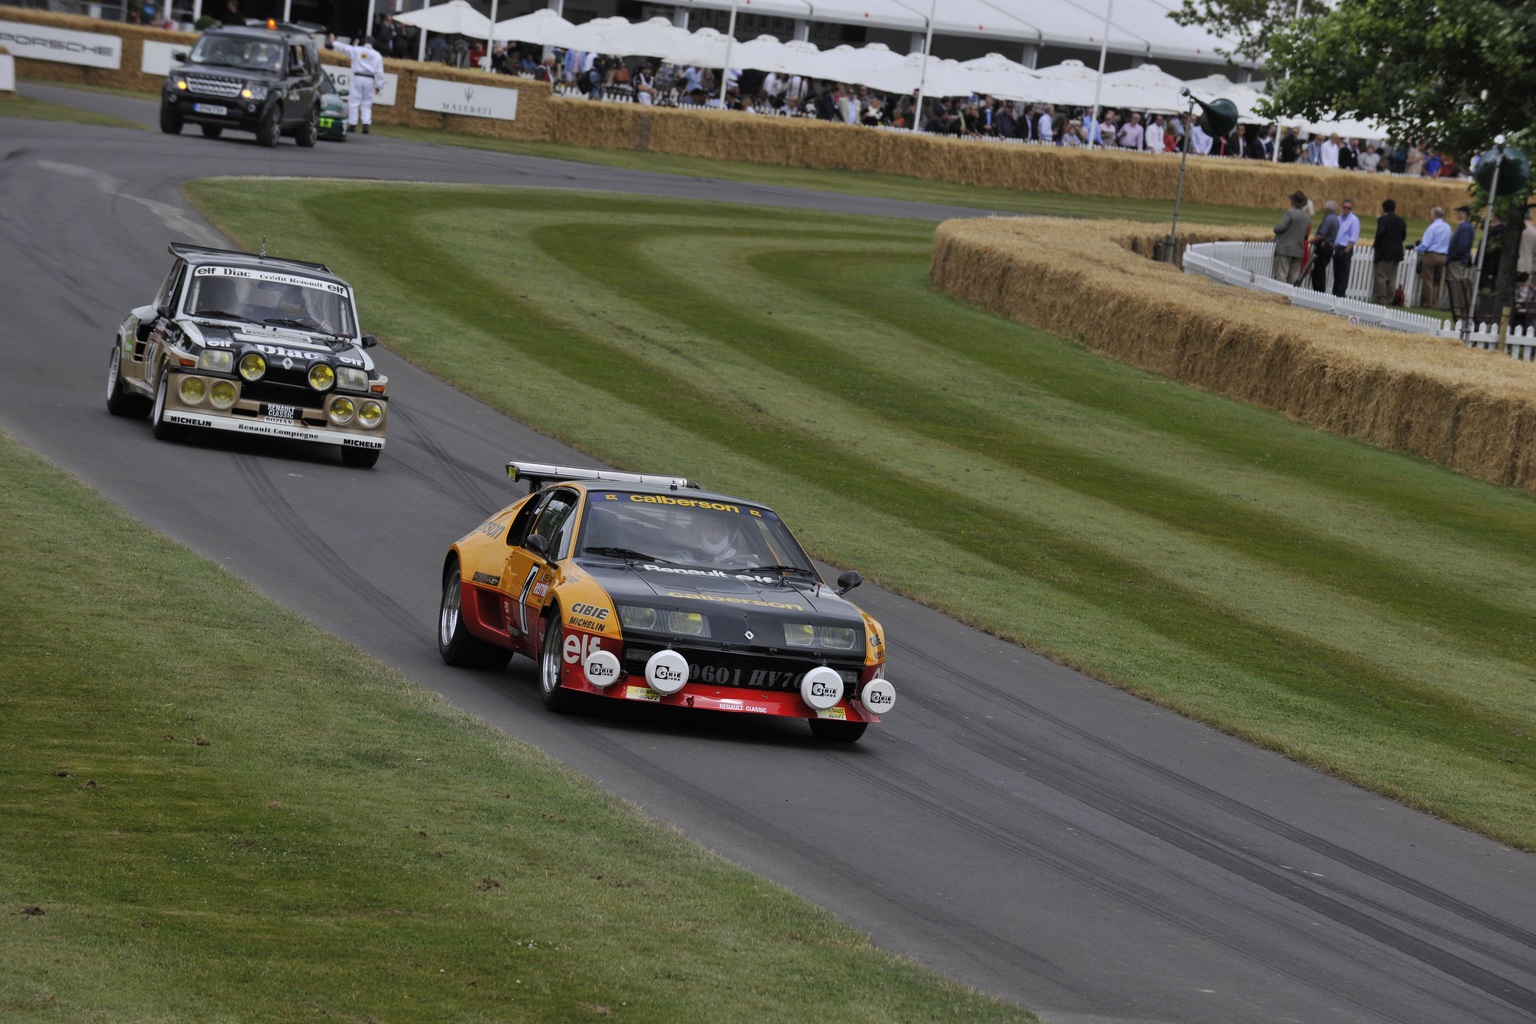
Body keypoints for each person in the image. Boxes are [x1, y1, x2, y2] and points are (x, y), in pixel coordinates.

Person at [328, 33, 384, 133]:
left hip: (358, 77)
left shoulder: (357, 50)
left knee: (354, 101)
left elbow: (344, 48)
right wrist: (379, 85)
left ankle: (353, 124)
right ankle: (366, 124)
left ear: (363, 42)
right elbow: (379, 72)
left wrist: (334, 42)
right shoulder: (377, 55)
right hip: (369, 79)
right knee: (367, 102)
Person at [1371, 198, 1408, 304]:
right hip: (1396, 253)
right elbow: (1403, 236)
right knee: (1392, 277)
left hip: (1384, 252)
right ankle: (1389, 299)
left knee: (1381, 277)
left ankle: (1381, 299)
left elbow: (1380, 234)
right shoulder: (1401, 220)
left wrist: (1376, 245)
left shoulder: (1383, 220)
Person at [1413, 207, 1451, 308]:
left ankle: (1428, 303)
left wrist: (1416, 249)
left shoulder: (1432, 228)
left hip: (1431, 255)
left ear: (1434, 215)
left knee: (1428, 280)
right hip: (1443, 256)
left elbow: (1425, 244)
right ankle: (1434, 302)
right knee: (1436, 281)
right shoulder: (1447, 227)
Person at [1445, 205, 1477, 323]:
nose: (1457, 215)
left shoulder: (1464, 228)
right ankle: (1461, 309)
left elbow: (1462, 245)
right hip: (1459, 259)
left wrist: (1452, 256)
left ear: (1463, 214)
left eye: (1459, 213)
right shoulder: (1468, 227)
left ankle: (1460, 309)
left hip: (1457, 260)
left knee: (1456, 285)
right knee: (1457, 284)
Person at [1273, 191, 1310, 285]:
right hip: (1298, 249)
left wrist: (1275, 228)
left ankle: (1280, 295)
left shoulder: (1290, 213)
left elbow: (1281, 227)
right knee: (1294, 276)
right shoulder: (1307, 216)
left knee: (1281, 274)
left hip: (1285, 248)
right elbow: (1306, 234)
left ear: (1293, 202)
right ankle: (1292, 296)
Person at [1332, 198, 1361, 298]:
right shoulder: (1339, 218)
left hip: (1345, 248)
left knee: (1343, 274)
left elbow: (1353, 237)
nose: (1346, 210)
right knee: (1336, 273)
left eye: (1348, 208)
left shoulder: (1354, 220)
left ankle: (1340, 294)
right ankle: (1335, 293)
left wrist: (1346, 250)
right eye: (1344, 207)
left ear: (1351, 209)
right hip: (1337, 247)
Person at [1309, 200, 1340, 292]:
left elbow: (1322, 235)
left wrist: (1311, 241)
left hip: (1323, 247)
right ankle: (1319, 291)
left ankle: (1319, 292)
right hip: (1330, 247)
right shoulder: (1336, 219)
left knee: (1319, 272)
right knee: (1319, 271)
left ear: (1326, 209)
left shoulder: (1328, 219)